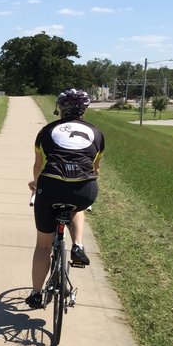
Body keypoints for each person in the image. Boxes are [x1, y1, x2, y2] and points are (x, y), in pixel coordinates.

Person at [26, 89, 105, 309]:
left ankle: (35, 294)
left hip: (50, 186)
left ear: (60, 109)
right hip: (84, 188)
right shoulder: (97, 133)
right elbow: (95, 168)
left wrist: (36, 183)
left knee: (43, 245)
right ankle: (78, 245)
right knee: (77, 206)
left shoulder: (46, 131)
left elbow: (38, 166)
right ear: (85, 109)